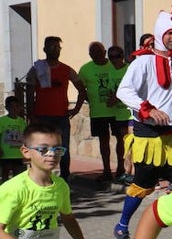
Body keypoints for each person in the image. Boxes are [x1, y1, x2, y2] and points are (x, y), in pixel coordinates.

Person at [112, 8, 172, 239]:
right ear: (160, 34)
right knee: (143, 185)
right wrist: (148, 110)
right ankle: (121, 227)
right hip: (149, 134)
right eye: (169, 33)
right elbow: (124, 91)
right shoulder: (143, 61)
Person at [23, 36, 86, 183]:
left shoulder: (67, 69)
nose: (55, 50)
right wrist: (32, 115)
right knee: (41, 149)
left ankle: (64, 179)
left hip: (61, 116)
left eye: (57, 47)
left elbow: (82, 89)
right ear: (45, 49)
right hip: (41, 115)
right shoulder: (36, 69)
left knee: (63, 149)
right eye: (51, 47)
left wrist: (76, 108)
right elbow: (29, 92)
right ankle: (42, 178)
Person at [79, 41, 129, 182]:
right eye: (94, 54)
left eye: (100, 53)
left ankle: (121, 168)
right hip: (98, 112)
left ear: (105, 52)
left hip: (118, 112)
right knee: (103, 141)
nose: (98, 56)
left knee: (121, 140)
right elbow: (81, 89)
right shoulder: (85, 69)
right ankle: (106, 170)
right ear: (90, 55)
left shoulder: (113, 65)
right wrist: (83, 103)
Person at [108, 46, 134, 184]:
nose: (114, 60)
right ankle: (122, 169)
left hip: (130, 113)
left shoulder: (129, 69)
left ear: (123, 56)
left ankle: (131, 172)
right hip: (118, 114)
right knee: (122, 143)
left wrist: (117, 96)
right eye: (111, 57)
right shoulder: (110, 71)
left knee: (131, 143)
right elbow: (111, 92)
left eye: (117, 56)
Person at [0, 97, 27, 181]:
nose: (15, 109)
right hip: (5, 154)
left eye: (17, 106)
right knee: (5, 173)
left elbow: (25, 136)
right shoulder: (2, 121)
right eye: (12, 107)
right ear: (7, 108)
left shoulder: (22, 121)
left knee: (17, 175)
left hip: (18, 154)